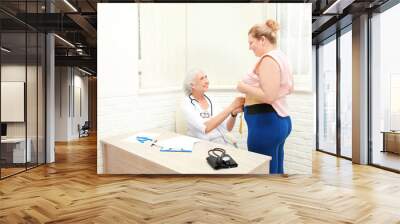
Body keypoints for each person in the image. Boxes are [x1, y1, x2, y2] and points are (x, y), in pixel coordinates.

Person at [236, 19, 293, 174]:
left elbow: (269, 96)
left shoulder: (268, 59)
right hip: (276, 121)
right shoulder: (282, 57)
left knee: (261, 173)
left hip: (265, 124)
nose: (249, 47)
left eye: (251, 42)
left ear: (262, 40)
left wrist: (243, 87)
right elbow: (289, 88)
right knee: (275, 170)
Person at [181, 69, 244, 144]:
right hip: (201, 145)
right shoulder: (187, 104)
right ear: (192, 85)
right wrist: (231, 106)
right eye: (202, 78)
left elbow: (228, 128)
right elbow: (205, 128)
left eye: (206, 77)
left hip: (220, 143)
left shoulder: (212, 99)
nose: (207, 81)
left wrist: (233, 113)